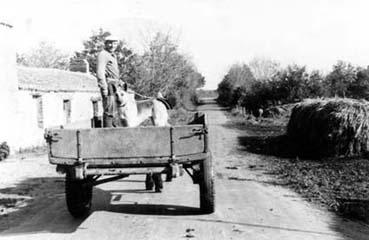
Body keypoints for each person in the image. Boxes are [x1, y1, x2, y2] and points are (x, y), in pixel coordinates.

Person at [96, 35, 120, 127]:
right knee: (109, 110)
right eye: (110, 43)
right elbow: (100, 72)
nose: (112, 45)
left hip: (115, 85)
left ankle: (113, 131)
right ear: (105, 44)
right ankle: (107, 134)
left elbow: (113, 72)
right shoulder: (103, 54)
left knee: (114, 110)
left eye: (114, 43)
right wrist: (104, 88)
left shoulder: (112, 55)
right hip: (109, 85)